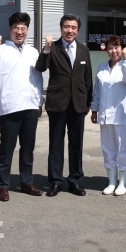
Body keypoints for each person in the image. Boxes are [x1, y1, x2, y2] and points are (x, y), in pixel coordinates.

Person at [0, 12, 45, 202]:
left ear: (27, 30)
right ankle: (3, 185)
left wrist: (39, 101)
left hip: (30, 105)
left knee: (28, 147)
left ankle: (27, 182)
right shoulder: (0, 49)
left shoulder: (33, 51)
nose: (20, 32)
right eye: (16, 28)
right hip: (10, 105)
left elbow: (38, 78)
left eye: (23, 28)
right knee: (7, 148)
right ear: (10, 29)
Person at [36, 14, 92, 197]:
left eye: (73, 27)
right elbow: (40, 67)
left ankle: (75, 181)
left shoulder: (83, 50)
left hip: (78, 103)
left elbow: (87, 78)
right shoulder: (53, 48)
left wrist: (88, 102)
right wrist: (46, 48)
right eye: (67, 27)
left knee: (76, 144)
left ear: (78, 30)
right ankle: (56, 181)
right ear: (61, 28)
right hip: (57, 103)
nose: (70, 30)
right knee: (56, 144)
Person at [90, 35, 126, 196]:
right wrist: (94, 109)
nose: (114, 51)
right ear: (106, 51)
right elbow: (97, 90)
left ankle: (123, 182)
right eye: (110, 48)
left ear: (122, 48)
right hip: (105, 115)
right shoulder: (102, 67)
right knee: (108, 149)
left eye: (116, 47)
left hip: (121, 115)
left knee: (123, 149)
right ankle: (111, 181)